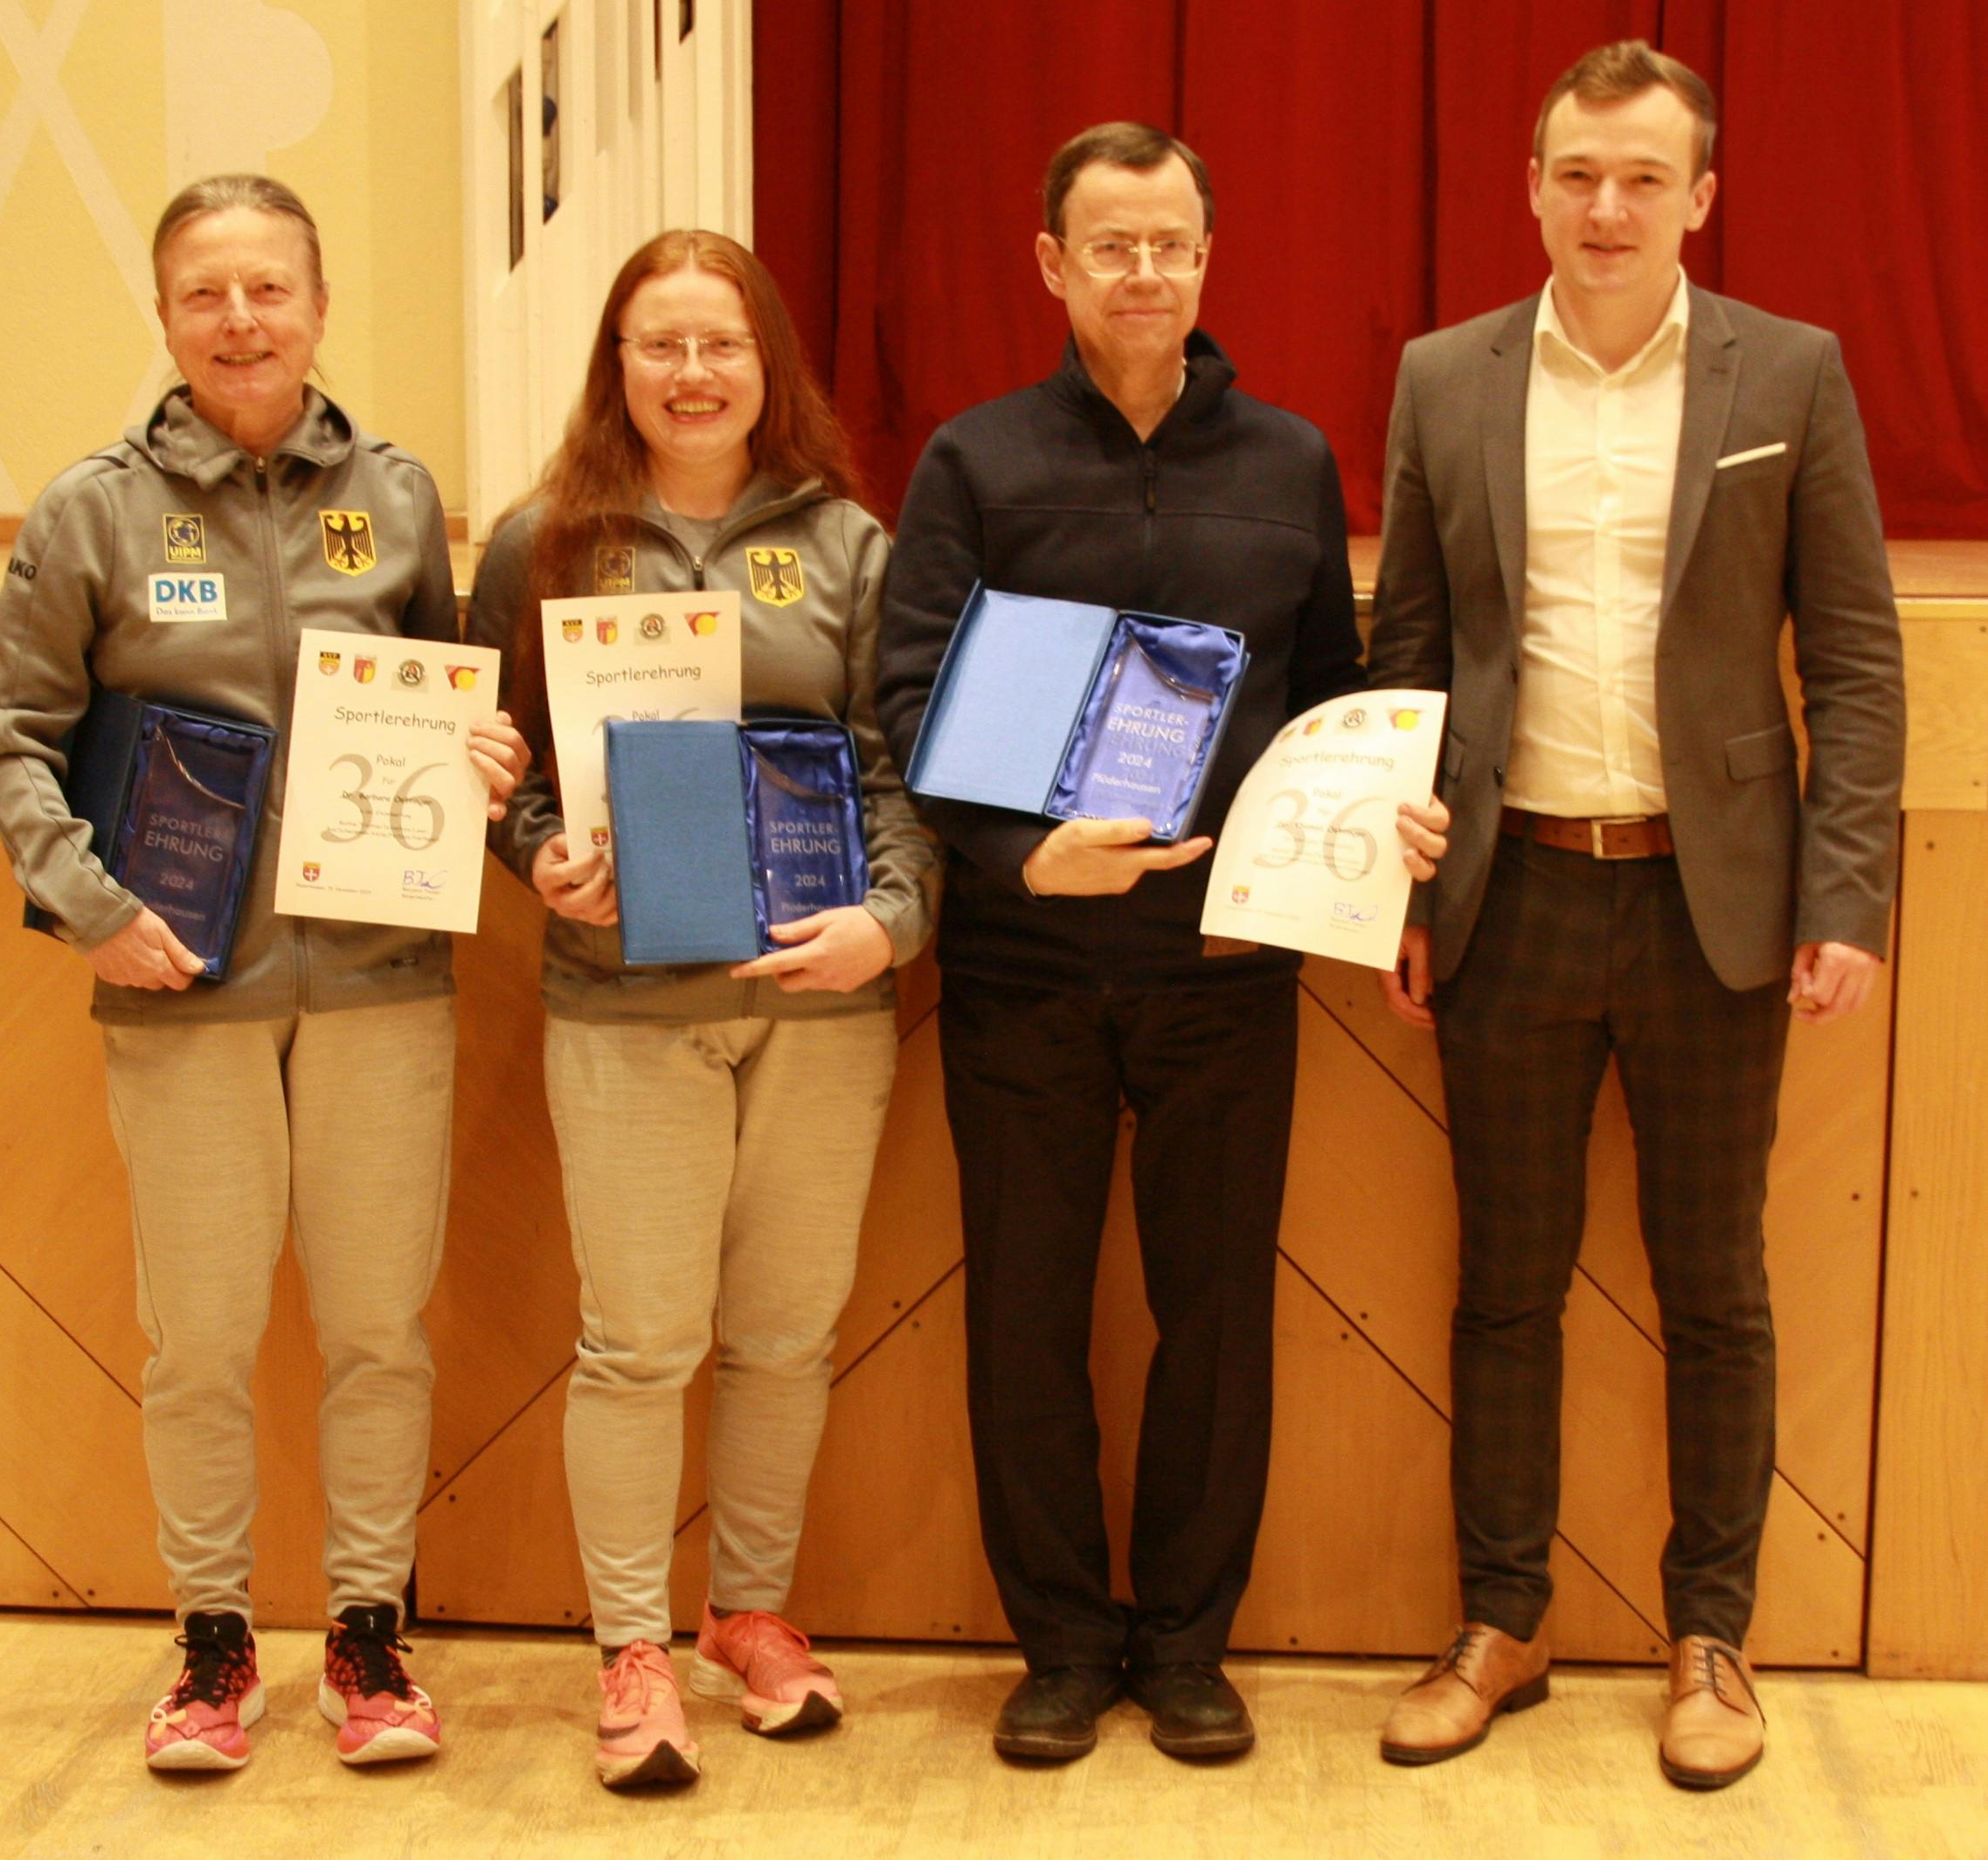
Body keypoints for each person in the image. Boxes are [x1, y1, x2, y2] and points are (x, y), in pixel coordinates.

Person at [876, 123, 1447, 1764]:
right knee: (1027, 1313)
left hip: (1225, 969)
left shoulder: (1287, 460)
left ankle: (1188, 1642)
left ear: (1209, 256)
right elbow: (906, 701)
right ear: (1053, 264)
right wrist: (1011, 853)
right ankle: (1058, 1644)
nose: (1146, 272)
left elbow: (1335, 695)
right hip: (1022, 963)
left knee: (1215, 1315)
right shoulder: (973, 464)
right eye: (1111, 245)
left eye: (1173, 243)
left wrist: (1387, 816)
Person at [1368, 42, 1904, 1789]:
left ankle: (1708, 1637)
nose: (1604, 208)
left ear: (1698, 197)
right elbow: (1407, 651)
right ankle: (1499, 1621)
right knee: (1502, 1288)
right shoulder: (1441, 380)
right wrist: (1398, 875)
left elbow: (1847, 655)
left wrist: (1843, 888)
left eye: (1640, 179)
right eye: (1575, 175)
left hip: (1711, 907)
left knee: (1714, 1290)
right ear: (1530, 187)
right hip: (1506, 893)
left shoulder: (1788, 374)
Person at [0, 174, 530, 1772]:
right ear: (164, 318)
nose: (240, 320)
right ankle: (213, 1644)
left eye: (268, 288)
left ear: (320, 304)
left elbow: (461, 701)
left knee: (377, 1330)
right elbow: (3, 736)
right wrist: (90, 906)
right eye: (206, 293)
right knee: (199, 1336)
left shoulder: (402, 499)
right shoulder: (95, 511)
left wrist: (485, 757)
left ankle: (368, 1636)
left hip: (378, 984)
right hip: (179, 985)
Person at [467, 229, 939, 1791]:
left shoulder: (852, 543)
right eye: (656, 344)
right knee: (640, 1337)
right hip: (624, 1003)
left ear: (768, 367)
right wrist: (541, 853)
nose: (689, 372)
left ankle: (750, 1610)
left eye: (718, 344)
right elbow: (497, 768)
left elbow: (892, 765)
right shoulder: (543, 540)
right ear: (617, 366)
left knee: (789, 1335)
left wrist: (893, 923)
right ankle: (629, 1647)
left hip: (819, 1004)